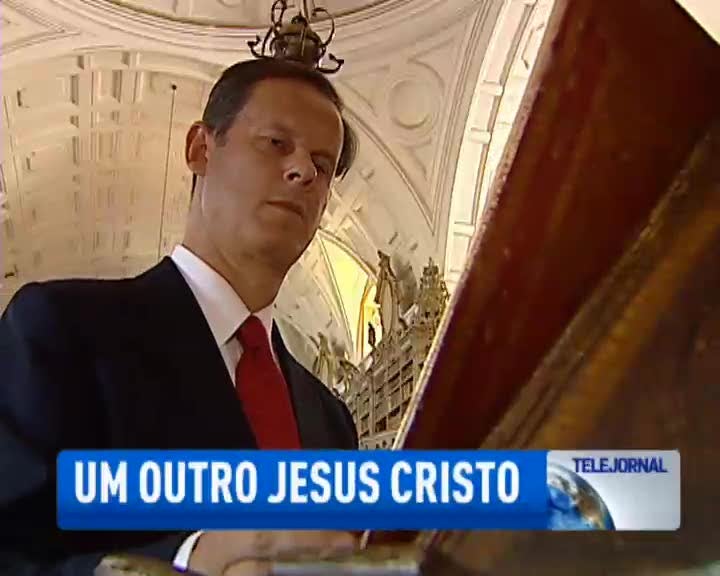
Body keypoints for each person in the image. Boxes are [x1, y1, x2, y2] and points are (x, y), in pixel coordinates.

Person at [0, 58, 360, 576]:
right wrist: (186, 563)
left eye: (323, 165)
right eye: (276, 143)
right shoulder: (61, 332)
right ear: (201, 149)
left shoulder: (331, 420)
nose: (303, 171)